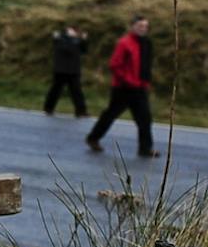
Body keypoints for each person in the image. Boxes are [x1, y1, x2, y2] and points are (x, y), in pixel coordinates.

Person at [87, 14, 155, 158]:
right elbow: (115, 64)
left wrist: (145, 83)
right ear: (133, 27)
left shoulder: (146, 44)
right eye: (140, 26)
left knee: (145, 118)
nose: (143, 29)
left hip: (140, 87)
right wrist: (126, 80)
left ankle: (145, 148)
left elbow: (146, 65)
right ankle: (93, 138)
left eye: (145, 26)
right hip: (123, 88)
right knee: (111, 114)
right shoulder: (124, 43)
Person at [45, 24, 88, 116]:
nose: (75, 32)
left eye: (75, 30)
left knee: (77, 92)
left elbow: (84, 50)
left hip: (73, 70)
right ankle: (49, 108)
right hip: (61, 70)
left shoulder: (76, 41)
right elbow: (67, 49)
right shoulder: (61, 39)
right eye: (73, 30)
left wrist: (84, 40)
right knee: (55, 90)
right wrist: (75, 40)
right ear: (68, 30)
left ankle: (81, 111)